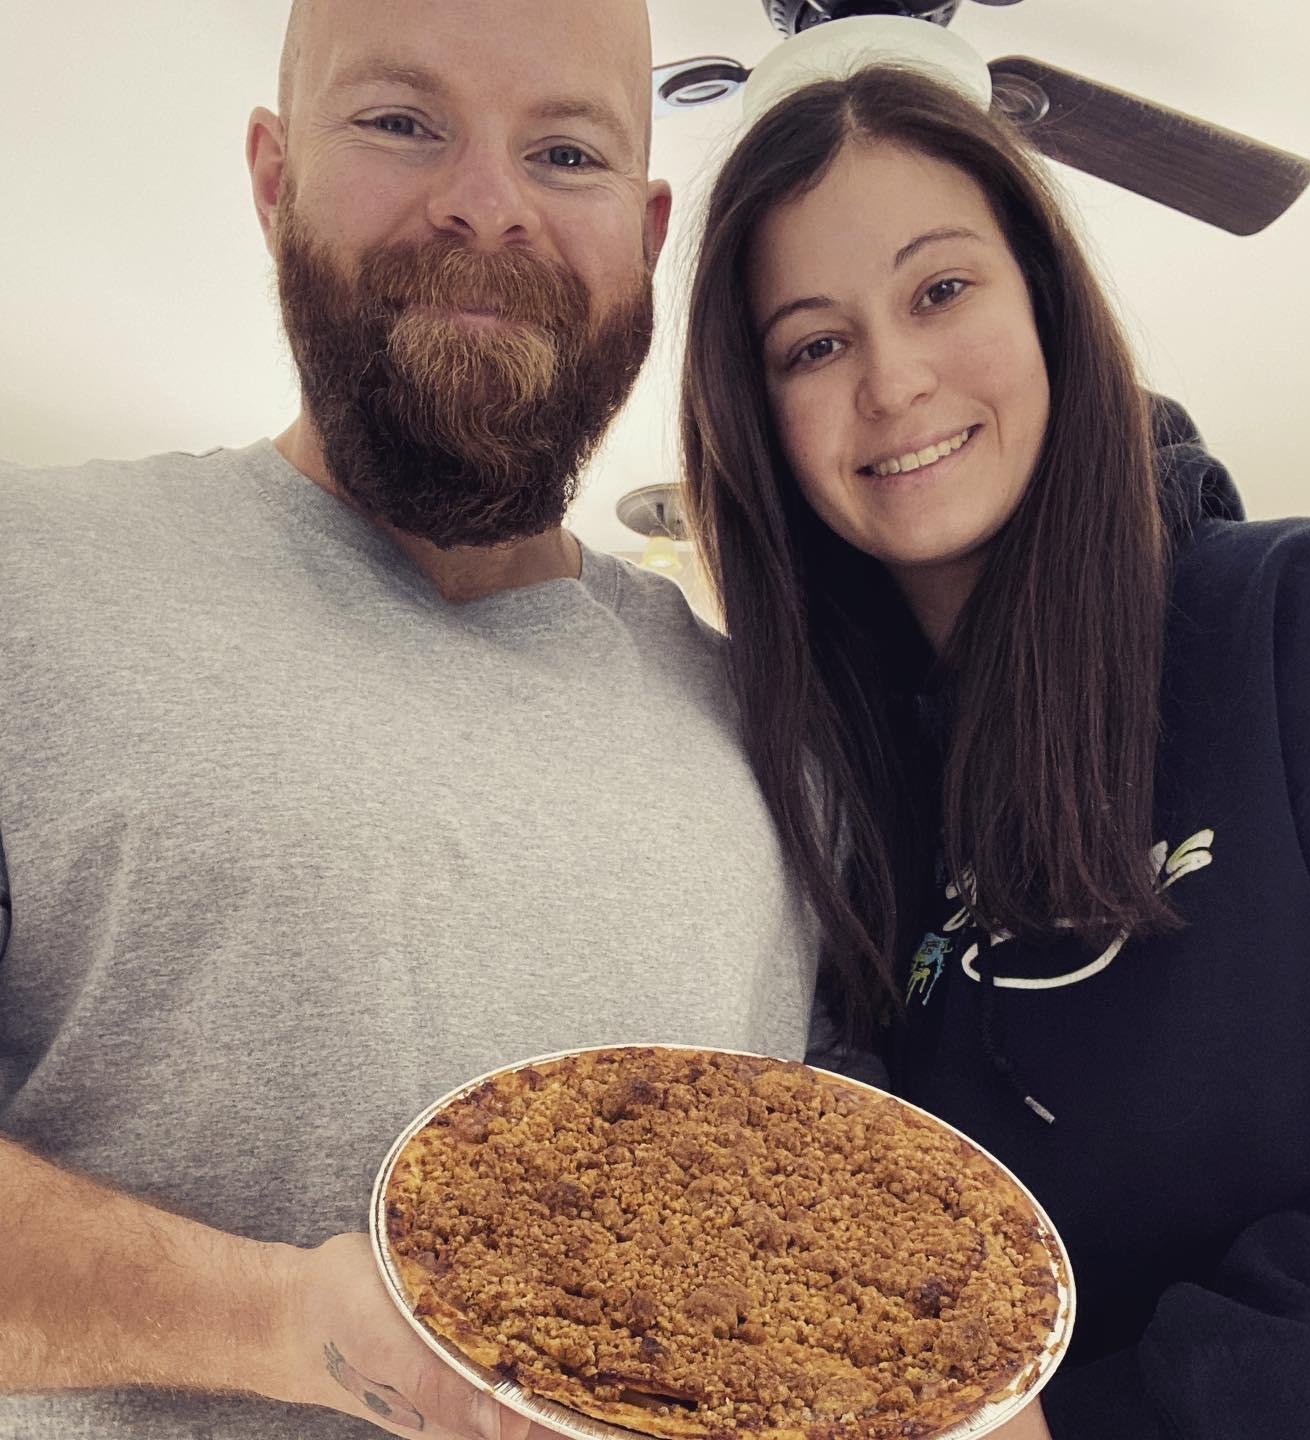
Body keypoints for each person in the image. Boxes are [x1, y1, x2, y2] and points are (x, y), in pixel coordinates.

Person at [0, 3, 818, 1437]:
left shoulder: (768, 726)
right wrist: (286, 1324)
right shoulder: (30, 586)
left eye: (565, 152)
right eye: (400, 123)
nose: (486, 205)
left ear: (645, 234)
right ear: (275, 179)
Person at [680, 61, 1310, 1440]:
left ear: (1044, 300)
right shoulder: (837, 804)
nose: (893, 380)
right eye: (814, 345)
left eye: (940, 290)